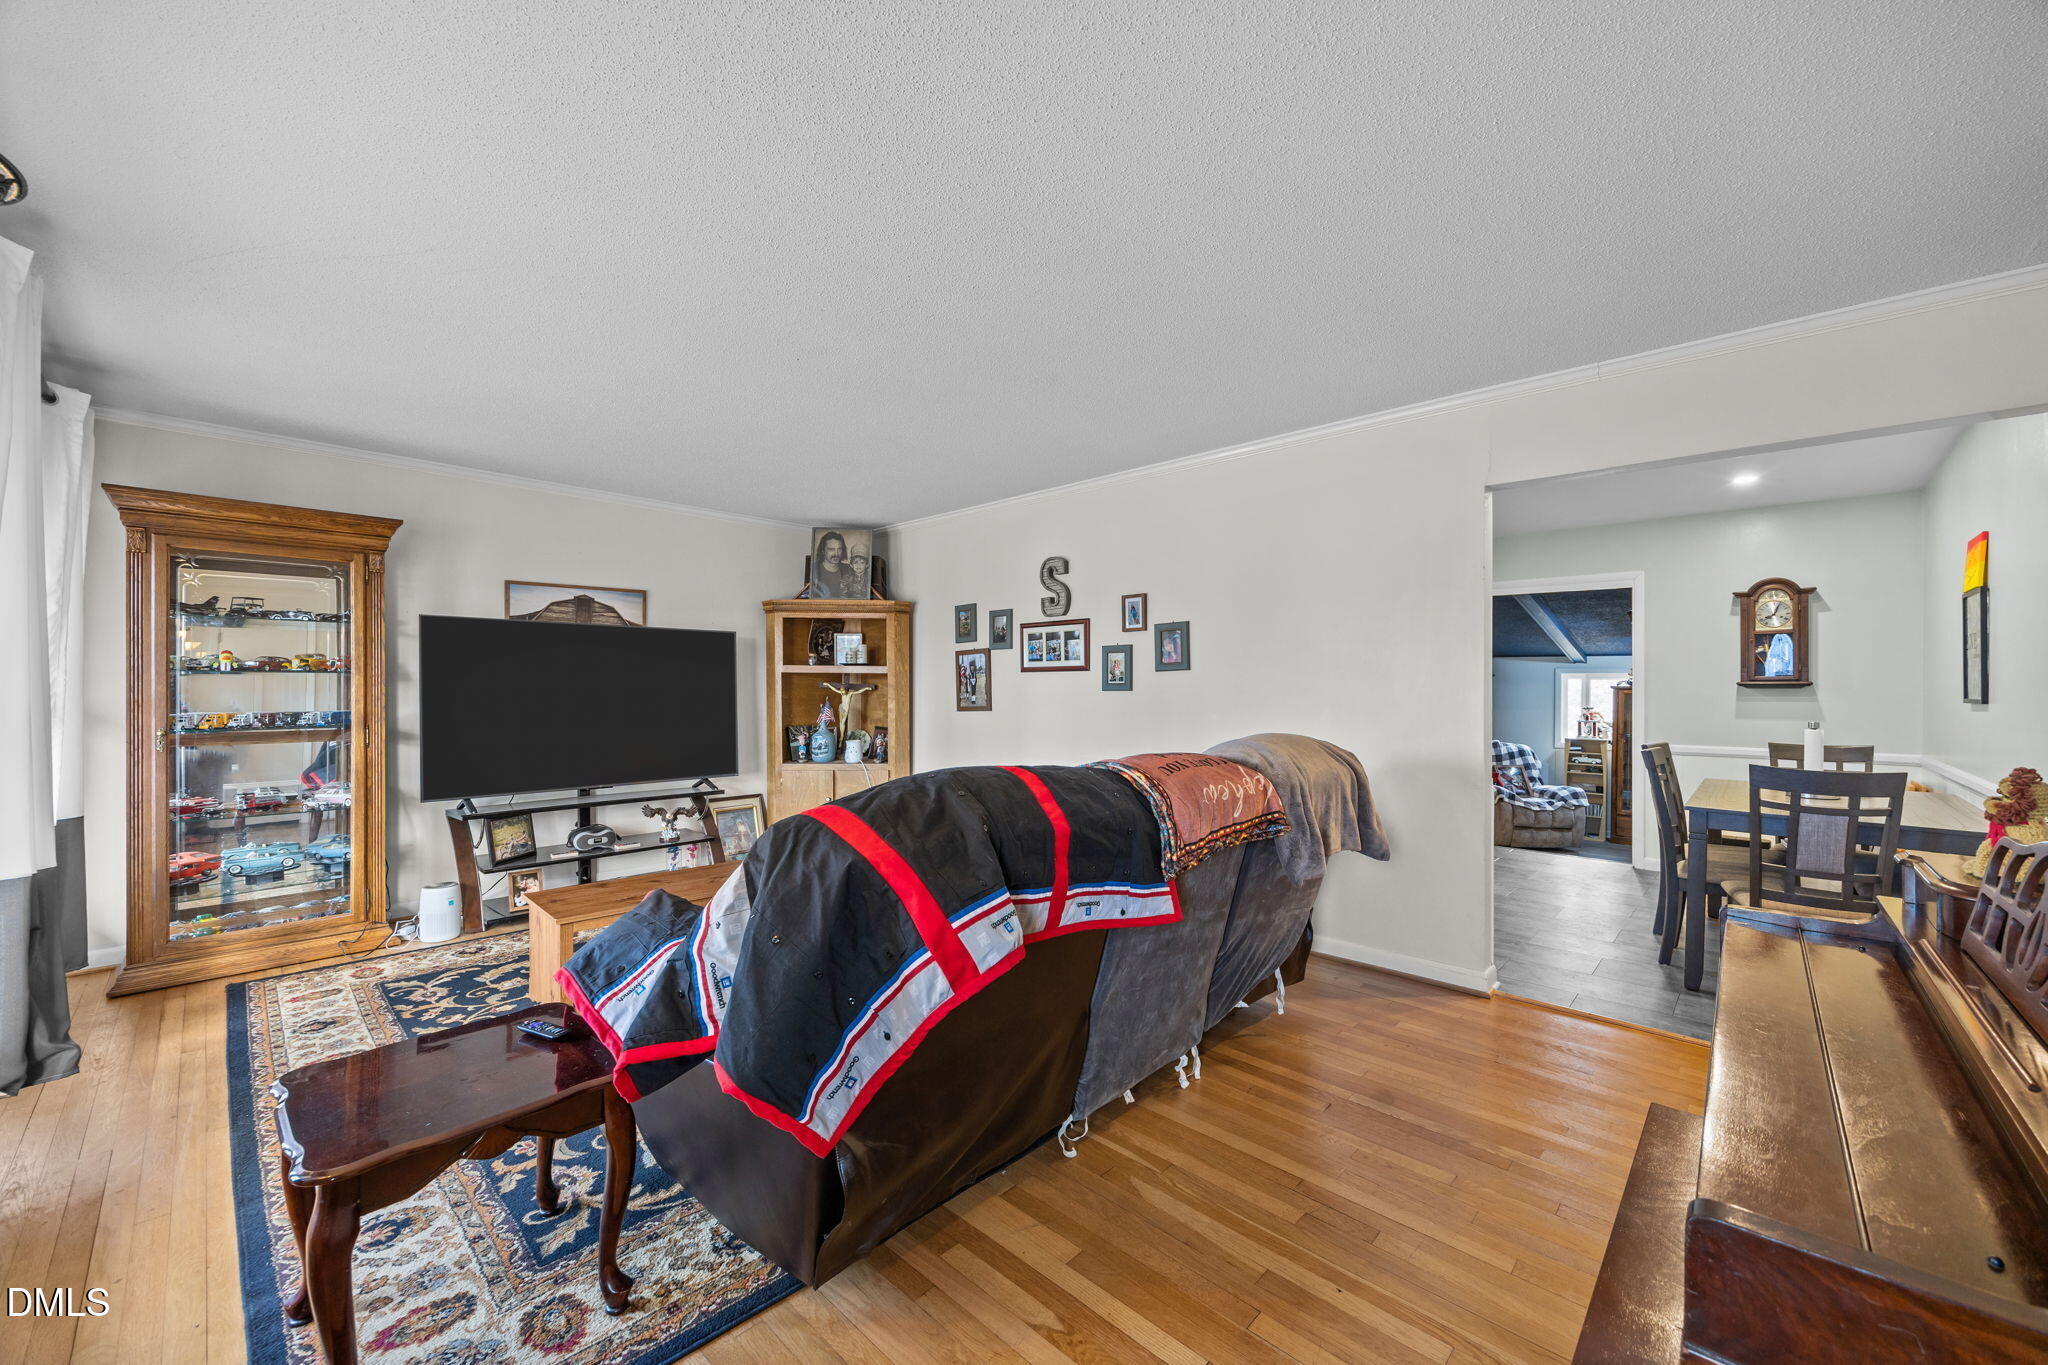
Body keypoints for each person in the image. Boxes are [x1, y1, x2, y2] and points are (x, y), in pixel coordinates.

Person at [811, 531, 866, 599]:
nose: (836, 554)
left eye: (839, 549)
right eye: (831, 549)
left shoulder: (849, 569)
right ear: (823, 551)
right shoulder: (814, 569)